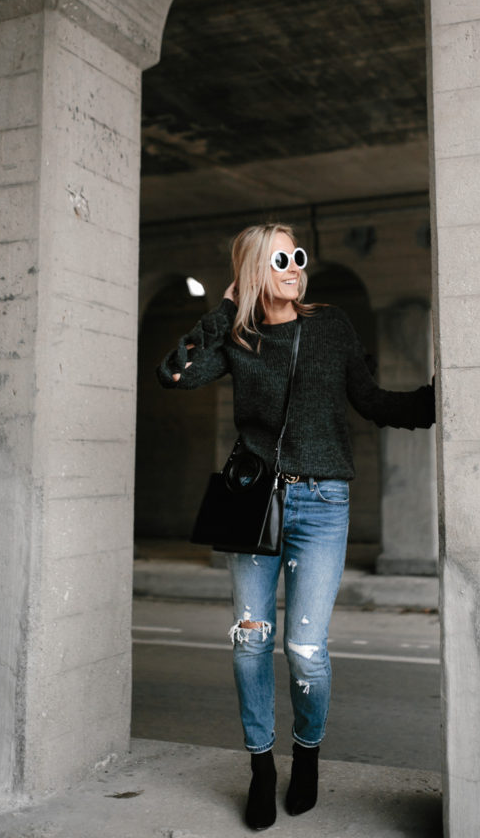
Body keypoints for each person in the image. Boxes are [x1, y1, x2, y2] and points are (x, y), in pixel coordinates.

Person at [156, 223, 435, 830]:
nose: (295, 266)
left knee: (305, 651)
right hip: (255, 507)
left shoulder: (330, 325)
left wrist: (434, 404)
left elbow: (369, 398)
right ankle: (261, 767)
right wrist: (224, 308)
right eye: (281, 258)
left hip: (323, 504)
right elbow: (173, 373)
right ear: (256, 269)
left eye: (299, 256)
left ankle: (306, 754)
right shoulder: (237, 336)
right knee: (250, 643)